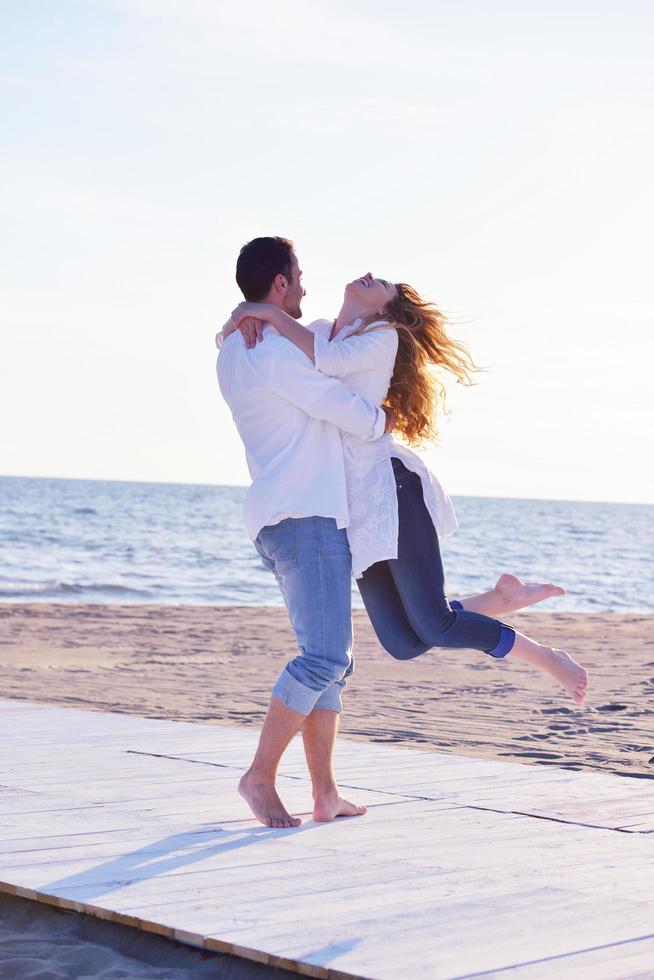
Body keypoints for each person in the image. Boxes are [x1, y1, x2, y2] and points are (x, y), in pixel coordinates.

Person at [225, 272, 589, 711]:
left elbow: (324, 359)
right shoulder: (318, 329)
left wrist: (262, 312)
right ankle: (501, 599)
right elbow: (272, 349)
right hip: (351, 509)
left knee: (434, 625)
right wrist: (240, 317)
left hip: (389, 490)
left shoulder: (381, 336)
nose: (368, 277)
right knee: (401, 641)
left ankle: (547, 657)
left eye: (381, 284)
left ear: (383, 307)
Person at [217, 238, 395, 830]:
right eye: (299, 278)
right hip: (306, 514)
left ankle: (325, 794)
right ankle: (260, 777)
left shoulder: (238, 345)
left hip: (282, 515)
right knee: (323, 656)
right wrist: (380, 420)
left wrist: (253, 314)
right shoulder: (268, 347)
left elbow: (321, 341)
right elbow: (329, 397)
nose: (306, 287)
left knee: (331, 661)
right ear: (279, 284)